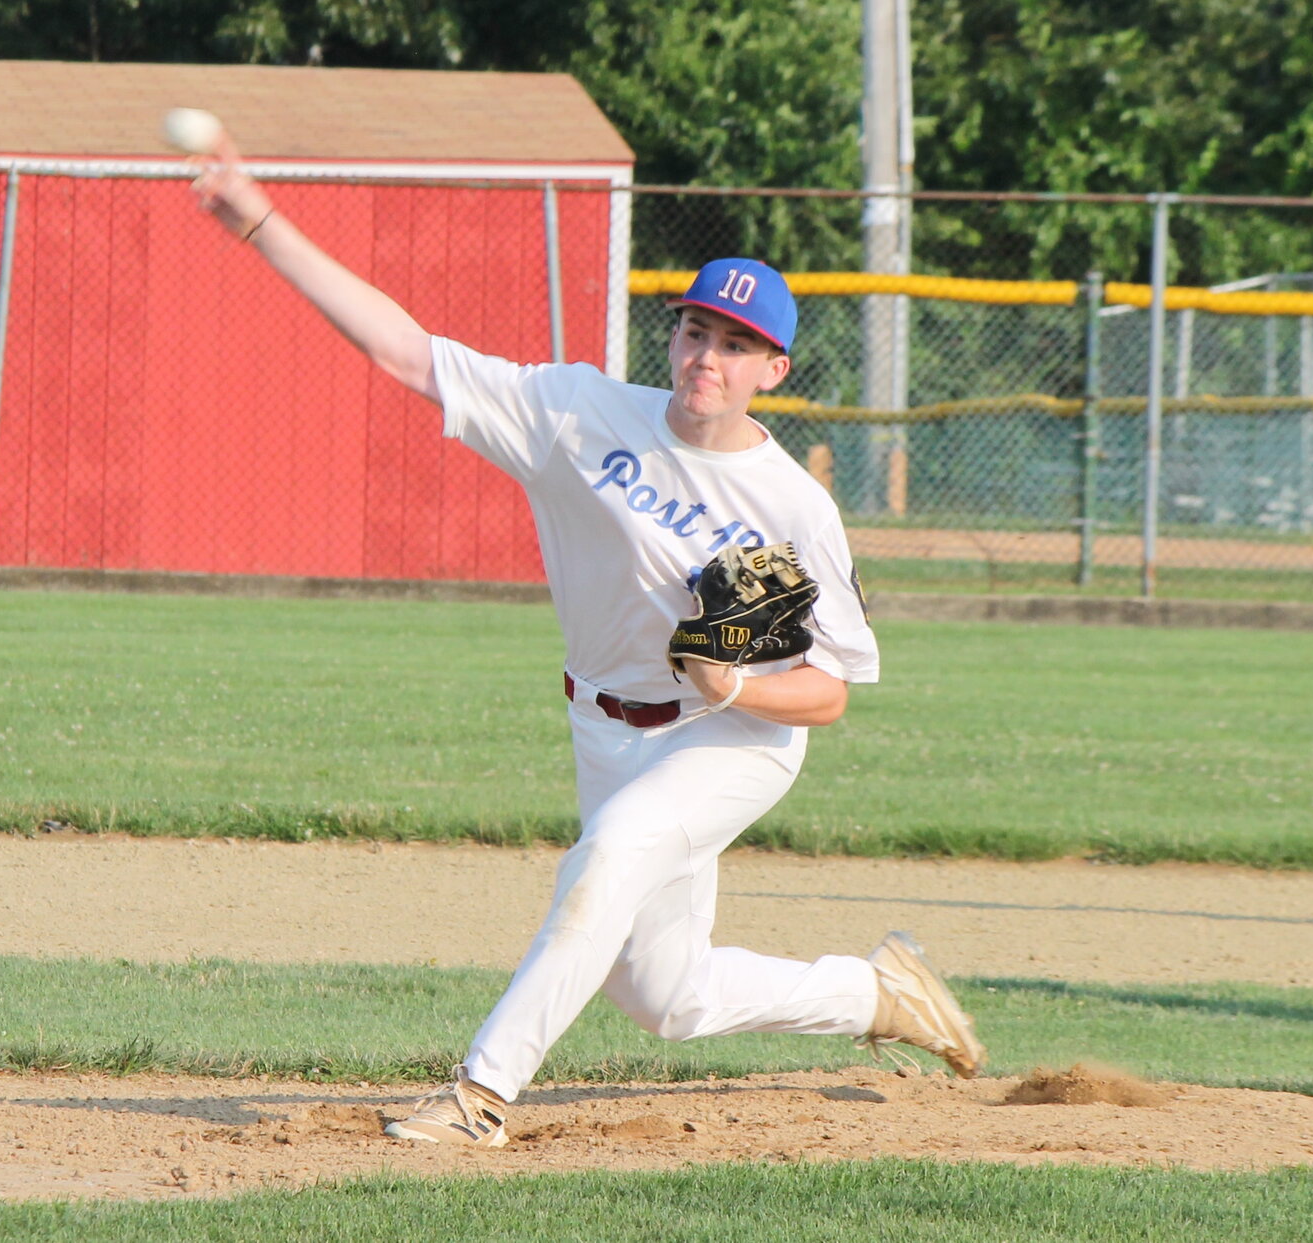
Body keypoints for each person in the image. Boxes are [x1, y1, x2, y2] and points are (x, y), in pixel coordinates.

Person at [190, 132, 985, 1149]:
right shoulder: (577, 415)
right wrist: (259, 221)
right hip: (604, 729)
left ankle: (483, 1091)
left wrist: (736, 688)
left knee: (611, 855)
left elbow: (829, 690)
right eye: (697, 330)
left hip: (729, 739)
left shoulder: (789, 508)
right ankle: (876, 995)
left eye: (735, 343)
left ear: (771, 369)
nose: (708, 355)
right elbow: (403, 350)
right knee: (670, 998)